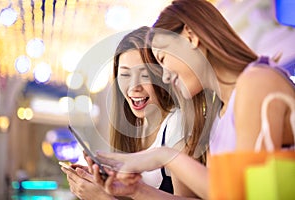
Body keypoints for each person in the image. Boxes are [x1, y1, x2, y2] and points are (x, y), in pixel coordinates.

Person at [95, 0, 295, 199]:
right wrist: (136, 190)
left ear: (190, 36)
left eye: (163, 59)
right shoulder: (221, 113)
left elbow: (241, 194)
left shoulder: (256, 83)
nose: (164, 77)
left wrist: (165, 156)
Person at [61, 26, 210, 199]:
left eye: (145, 75)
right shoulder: (139, 129)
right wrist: (104, 184)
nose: (134, 87)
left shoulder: (176, 124)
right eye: (125, 75)